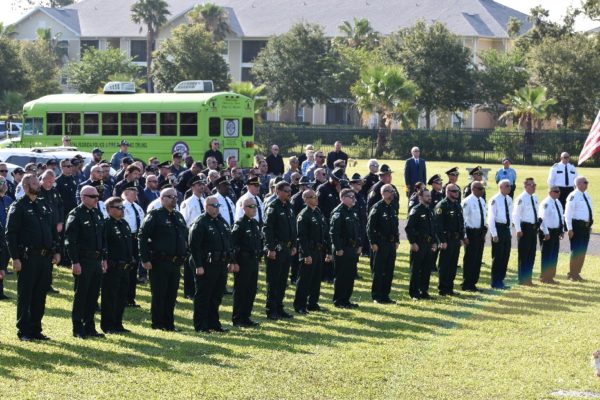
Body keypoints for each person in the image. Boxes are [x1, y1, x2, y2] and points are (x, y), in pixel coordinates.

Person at [6, 174, 60, 341]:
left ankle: (36, 328)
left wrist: (56, 250)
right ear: (26, 185)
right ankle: (24, 330)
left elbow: (52, 230)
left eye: (38, 182)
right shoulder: (19, 206)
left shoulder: (44, 204)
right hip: (28, 257)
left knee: (40, 294)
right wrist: (15, 258)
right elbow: (11, 234)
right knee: (26, 294)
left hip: (45, 257)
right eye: (35, 183)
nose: (38, 185)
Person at [138, 188, 189, 331]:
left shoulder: (178, 216)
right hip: (159, 261)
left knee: (171, 294)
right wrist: (145, 259)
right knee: (160, 294)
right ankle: (158, 323)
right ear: (162, 199)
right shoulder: (155, 215)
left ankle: (169, 323)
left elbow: (184, 236)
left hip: (175, 262)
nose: (174, 199)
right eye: (170, 196)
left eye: (175, 196)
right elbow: (142, 237)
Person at [65, 185, 107, 339]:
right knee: (81, 294)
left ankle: (90, 327)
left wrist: (104, 258)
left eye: (97, 196)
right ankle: (78, 328)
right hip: (83, 260)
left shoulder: (97, 213)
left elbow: (102, 238)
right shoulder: (76, 214)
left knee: (93, 295)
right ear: (83, 197)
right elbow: (70, 241)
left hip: (96, 260)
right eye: (93, 196)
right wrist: (75, 261)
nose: (97, 199)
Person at [189, 195, 233, 333]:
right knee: (204, 295)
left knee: (216, 295)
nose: (216, 208)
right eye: (214, 206)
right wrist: (198, 265)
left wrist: (231, 260)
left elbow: (228, 242)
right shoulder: (200, 222)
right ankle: (201, 325)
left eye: (218, 206)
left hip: (220, 263)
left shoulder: (221, 221)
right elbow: (194, 246)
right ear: (206, 207)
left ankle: (214, 323)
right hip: (206, 264)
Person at [263, 181, 297, 320]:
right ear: (278, 192)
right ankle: (271, 309)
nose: (289, 193)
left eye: (290, 190)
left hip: (287, 248)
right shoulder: (273, 207)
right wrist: (270, 248)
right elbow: (267, 229)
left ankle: (279, 307)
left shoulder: (288, 206)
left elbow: (292, 228)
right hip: (276, 249)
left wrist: (294, 244)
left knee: (283, 280)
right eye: (286, 190)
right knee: (274, 280)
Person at [293, 189, 331, 313]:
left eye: (315, 196)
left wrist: (327, 251)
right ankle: (300, 305)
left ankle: (312, 303)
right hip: (308, 251)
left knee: (315, 278)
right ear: (306, 199)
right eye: (312, 196)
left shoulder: (318, 212)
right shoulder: (304, 215)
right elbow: (301, 237)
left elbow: (324, 233)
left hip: (319, 251)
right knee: (304, 280)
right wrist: (306, 254)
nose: (316, 198)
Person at [101, 197, 134, 334]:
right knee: (110, 297)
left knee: (121, 297)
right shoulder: (106, 224)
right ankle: (108, 325)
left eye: (122, 207)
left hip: (125, 267)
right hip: (112, 267)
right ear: (109, 209)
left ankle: (118, 323)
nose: (122, 210)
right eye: (118, 207)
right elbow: (104, 245)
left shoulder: (124, 224)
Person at [230, 197, 263, 327]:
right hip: (242, 261)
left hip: (253, 260)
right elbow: (232, 245)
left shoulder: (254, 223)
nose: (254, 209)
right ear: (244, 209)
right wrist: (234, 262)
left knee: (251, 290)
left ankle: (246, 316)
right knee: (241, 290)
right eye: (251, 207)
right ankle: (238, 318)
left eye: (255, 206)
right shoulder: (240, 224)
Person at [367, 184, 399, 303]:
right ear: (384, 193)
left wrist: (397, 240)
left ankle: (386, 295)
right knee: (379, 270)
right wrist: (373, 242)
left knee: (389, 270)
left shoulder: (392, 207)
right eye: (391, 191)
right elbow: (370, 227)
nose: (393, 193)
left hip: (391, 244)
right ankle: (377, 295)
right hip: (380, 243)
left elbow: (395, 226)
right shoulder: (377, 207)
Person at [330, 188, 361, 308]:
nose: (354, 199)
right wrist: (338, 248)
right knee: (341, 275)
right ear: (342, 198)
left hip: (352, 248)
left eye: (354, 197)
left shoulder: (352, 211)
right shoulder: (338, 212)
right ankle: (339, 300)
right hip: (342, 248)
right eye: (350, 197)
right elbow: (334, 233)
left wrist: (359, 245)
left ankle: (346, 299)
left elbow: (357, 230)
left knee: (350, 274)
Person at [405, 189, 438, 300]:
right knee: (416, 270)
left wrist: (434, 242)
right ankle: (414, 293)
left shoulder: (430, 210)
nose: (429, 197)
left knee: (426, 269)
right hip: (418, 244)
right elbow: (409, 228)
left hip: (428, 245)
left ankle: (424, 291)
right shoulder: (416, 210)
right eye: (427, 196)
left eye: (429, 196)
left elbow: (432, 228)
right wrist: (412, 242)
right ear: (420, 197)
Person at [435, 184, 464, 296]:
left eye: (457, 190)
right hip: (446, 240)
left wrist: (461, 237)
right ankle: (442, 288)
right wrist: (442, 241)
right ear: (447, 192)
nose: (456, 193)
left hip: (456, 240)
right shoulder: (442, 206)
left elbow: (461, 222)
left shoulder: (457, 205)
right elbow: (438, 226)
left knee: (453, 265)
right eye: (453, 191)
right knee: (444, 264)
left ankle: (449, 287)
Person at [180, 175, 207, 299]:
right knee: (190, 263)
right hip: (191, 233)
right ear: (192, 187)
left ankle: (200, 287)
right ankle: (189, 291)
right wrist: (186, 239)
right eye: (198, 185)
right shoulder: (188, 202)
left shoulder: (204, 200)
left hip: (204, 234)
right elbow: (184, 222)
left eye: (202, 184)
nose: (201, 187)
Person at [38, 170, 64, 294]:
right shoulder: (37, 192)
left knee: (52, 254)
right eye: (48, 181)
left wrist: (60, 222)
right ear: (42, 179)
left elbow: (60, 207)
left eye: (52, 181)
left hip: (54, 228)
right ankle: (40, 282)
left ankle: (48, 283)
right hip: (42, 229)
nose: (50, 183)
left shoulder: (54, 192)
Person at [564, 176, 593, 282]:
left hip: (585, 227)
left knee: (582, 251)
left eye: (586, 182)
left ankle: (577, 273)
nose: (586, 184)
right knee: (576, 250)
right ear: (579, 184)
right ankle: (572, 274)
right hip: (577, 227)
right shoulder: (573, 196)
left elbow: (588, 212)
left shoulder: (586, 195)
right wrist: (569, 229)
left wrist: (589, 225)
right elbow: (568, 214)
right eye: (585, 182)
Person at [512, 178, 539, 286]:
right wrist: (518, 229)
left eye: (534, 185)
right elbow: (516, 215)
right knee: (524, 254)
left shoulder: (535, 198)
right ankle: (522, 279)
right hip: (524, 228)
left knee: (531, 254)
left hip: (533, 228)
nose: (534, 187)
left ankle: (528, 279)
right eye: (531, 185)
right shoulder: (521, 198)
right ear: (526, 186)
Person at [461, 181, 487, 292]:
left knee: (477, 259)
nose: (482, 191)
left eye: (483, 188)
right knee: (470, 259)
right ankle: (467, 283)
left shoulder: (481, 201)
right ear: (473, 189)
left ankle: (473, 283)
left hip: (480, 233)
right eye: (480, 188)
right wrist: (465, 236)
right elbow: (463, 220)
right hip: (471, 233)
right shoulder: (467, 202)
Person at [121, 187, 145, 307]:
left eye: (136, 191)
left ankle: (131, 298)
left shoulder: (137, 207)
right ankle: (124, 297)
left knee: (134, 267)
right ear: (125, 193)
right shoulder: (122, 206)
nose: (136, 193)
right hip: (127, 238)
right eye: (133, 191)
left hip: (136, 239)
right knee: (127, 267)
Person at [488, 179, 513, 290]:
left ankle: (501, 280)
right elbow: (491, 218)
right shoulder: (495, 200)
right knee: (498, 257)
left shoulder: (509, 199)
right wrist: (494, 234)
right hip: (498, 229)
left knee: (505, 256)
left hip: (506, 229)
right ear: (501, 187)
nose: (509, 187)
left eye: (510, 186)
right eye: (507, 186)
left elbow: (510, 216)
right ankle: (495, 281)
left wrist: (510, 231)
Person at [538, 186, 564, 284]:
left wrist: (561, 230)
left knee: (553, 255)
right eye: (556, 191)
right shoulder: (546, 203)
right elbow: (542, 219)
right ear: (550, 192)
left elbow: (561, 217)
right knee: (547, 255)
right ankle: (544, 277)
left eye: (559, 191)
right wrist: (546, 232)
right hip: (547, 232)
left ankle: (550, 277)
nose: (558, 193)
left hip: (555, 231)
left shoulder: (557, 202)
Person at [0, 177, 13, 300]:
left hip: (6, 236)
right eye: (1, 183)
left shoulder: (9, 200)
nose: (4, 185)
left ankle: (0, 291)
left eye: (4, 183)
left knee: (3, 264)